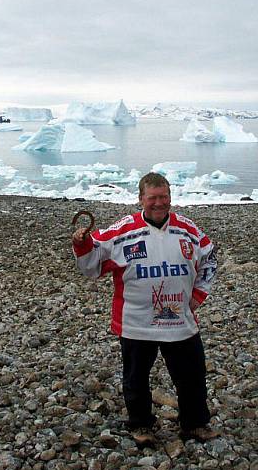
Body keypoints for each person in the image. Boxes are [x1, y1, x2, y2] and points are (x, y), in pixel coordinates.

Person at [71, 172, 219, 444]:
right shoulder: (122, 232)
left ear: (170, 197)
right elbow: (91, 264)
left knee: (192, 376)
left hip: (180, 321)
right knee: (136, 378)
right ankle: (141, 426)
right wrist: (82, 243)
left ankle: (195, 424)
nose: (159, 203)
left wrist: (198, 294)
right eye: (153, 198)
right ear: (141, 199)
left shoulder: (189, 230)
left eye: (164, 197)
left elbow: (210, 259)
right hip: (137, 323)